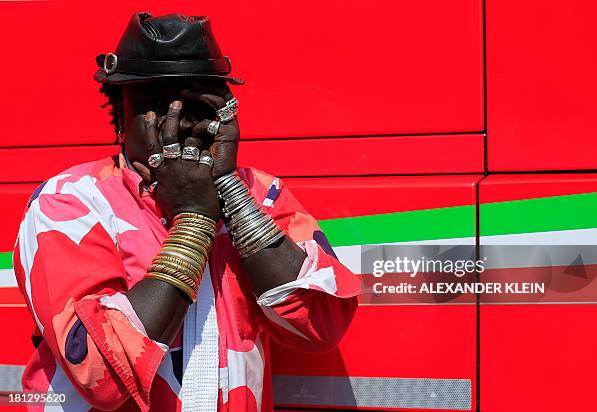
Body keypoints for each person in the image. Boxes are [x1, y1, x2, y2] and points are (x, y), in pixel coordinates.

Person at [13, 12, 361, 412]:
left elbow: (322, 326)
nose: (176, 125)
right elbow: (98, 370)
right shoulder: (70, 202)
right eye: (157, 105)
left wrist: (230, 190)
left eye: (195, 103)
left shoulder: (260, 194)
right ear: (121, 114)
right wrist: (194, 218)